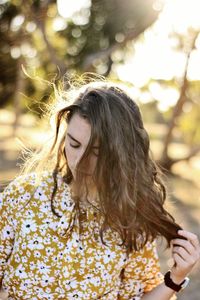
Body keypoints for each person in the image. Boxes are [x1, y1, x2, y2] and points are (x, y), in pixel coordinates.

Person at [0, 78, 199, 300]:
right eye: (74, 144)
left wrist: (176, 278)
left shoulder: (130, 221)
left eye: (95, 152)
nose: (79, 162)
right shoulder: (23, 195)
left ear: (120, 154)